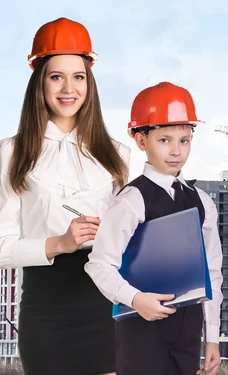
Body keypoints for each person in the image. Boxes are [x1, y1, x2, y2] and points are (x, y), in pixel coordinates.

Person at [0, 17, 130, 375]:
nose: (68, 88)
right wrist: (58, 242)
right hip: (45, 307)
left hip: (104, 304)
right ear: (39, 82)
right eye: (56, 76)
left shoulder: (118, 154)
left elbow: (130, 241)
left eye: (79, 76)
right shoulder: (12, 152)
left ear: (90, 82)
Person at [84, 81, 224, 375]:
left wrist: (212, 338)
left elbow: (212, 273)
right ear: (140, 140)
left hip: (189, 332)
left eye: (184, 140)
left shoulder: (202, 202)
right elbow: (98, 265)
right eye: (164, 140)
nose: (176, 151)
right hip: (141, 330)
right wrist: (136, 299)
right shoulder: (132, 199)